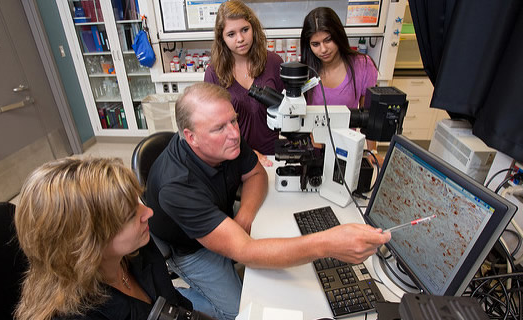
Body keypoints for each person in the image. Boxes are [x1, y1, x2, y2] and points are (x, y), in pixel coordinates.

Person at [145, 82, 391, 320]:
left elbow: (255, 173)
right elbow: (246, 251)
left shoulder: (225, 140)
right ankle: (172, 298)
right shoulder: (176, 185)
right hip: (190, 248)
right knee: (237, 312)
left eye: (233, 120)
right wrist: (327, 244)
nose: (234, 133)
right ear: (191, 137)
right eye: (219, 128)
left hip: (220, 217)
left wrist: (245, 214)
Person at [13, 157, 193, 320]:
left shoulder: (138, 245)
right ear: (87, 241)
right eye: (130, 215)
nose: (148, 212)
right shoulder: (75, 314)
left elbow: (175, 302)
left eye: (137, 201)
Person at [204, 0, 284, 166]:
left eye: (245, 30)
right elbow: (213, 126)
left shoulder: (274, 62)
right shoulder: (214, 73)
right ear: (222, 38)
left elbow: (287, 110)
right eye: (231, 34)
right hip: (234, 156)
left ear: (253, 28)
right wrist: (250, 153)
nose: (240, 39)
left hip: (272, 156)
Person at [300, 7, 381, 156]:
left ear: (338, 35)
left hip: (346, 148)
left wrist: (372, 152)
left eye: (328, 40)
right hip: (313, 149)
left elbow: (369, 117)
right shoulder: (304, 71)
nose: (323, 49)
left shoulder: (363, 65)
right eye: (315, 44)